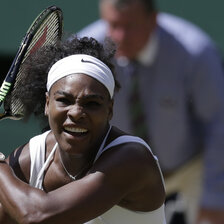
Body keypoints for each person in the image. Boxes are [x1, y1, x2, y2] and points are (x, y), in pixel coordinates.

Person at [0, 37, 167, 224]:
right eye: (64, 100)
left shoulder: (132, 160)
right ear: (47, 103)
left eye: (92, 103)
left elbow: (36, 215)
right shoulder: (30, 159)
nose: (76, 113)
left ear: (110, 110)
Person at [76, 0, 224, 224]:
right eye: (113, 25)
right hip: (119, 169)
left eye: (130, 26)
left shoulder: (195, 51)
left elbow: (218, 123)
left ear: (153, 19)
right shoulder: (86, 55)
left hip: (190, 167)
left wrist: (215, 199)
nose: (120, 37)